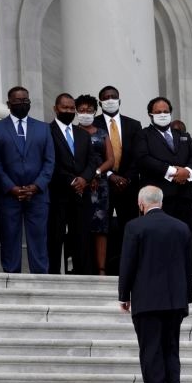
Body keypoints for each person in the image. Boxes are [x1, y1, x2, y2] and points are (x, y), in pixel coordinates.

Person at [119, 186, 192, 383]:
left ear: (141, 204)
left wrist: (124, 295)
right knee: (171, 348)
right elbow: (189, 266)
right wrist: (186, 297)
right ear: (161, 202)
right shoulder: (181, 227)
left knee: (151, 349)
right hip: (175, 300)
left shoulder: (135, 227)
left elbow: (128, 263)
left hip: (147, 301)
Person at [0, 86, 55, 274]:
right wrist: (10, 187)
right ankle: (11, 276)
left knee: (39, 238)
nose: (22, 103)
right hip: (8, 195)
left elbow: (49, 161)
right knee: (9, 237)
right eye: (18, 101)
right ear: (8, 103)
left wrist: (36, 186)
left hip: (38, 195)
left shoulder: (43, 128)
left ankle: (40, 276)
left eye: (25, 100)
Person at [92, 85, 142, 275]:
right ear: (100, 103)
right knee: (100, 228)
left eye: (113, 97)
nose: (110, 100)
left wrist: (126, 178)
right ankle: (101, 269)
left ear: (119, 101)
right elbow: (92, 155)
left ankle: (130, 267)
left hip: (128, 186)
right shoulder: (93, 124)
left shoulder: (134, 125)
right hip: (102, 184)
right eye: (106, 97)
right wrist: (111, 176)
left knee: (130, 227)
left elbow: (138, 155)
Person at [47, 93, 96, 274]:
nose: (68, 111)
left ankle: (82, 275)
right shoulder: (47, 131)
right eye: (64, 108)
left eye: (71, 108)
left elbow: (92, 161)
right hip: (58, 193)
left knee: (82, 237)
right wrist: (72, 180)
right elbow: (50, 161)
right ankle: (53, 275)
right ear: (55, 109)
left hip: (82, 194)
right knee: (55, 236)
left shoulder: (82, 134)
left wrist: (84, 179)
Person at [133, 96, 192, 228]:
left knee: (186, 234)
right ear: (150, 114)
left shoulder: (183, 135)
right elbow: (143, 158)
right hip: (157, 198)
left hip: (184, 196)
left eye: (166, 111)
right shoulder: (143, 135)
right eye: (158, 112)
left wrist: (187, 172)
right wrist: (173, 172)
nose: (163, 114)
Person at [76, 94, 115, 275]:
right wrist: (84, 177)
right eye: (82, 110)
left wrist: (96, 173)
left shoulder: (102, 133)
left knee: (101, 226)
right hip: (80, 184)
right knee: (81, 226)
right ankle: (84, 267)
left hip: (100, 185)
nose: (85, 113)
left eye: (89, 110)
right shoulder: (73, 132)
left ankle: (101, 269)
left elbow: (111, 159)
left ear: (95, 112)